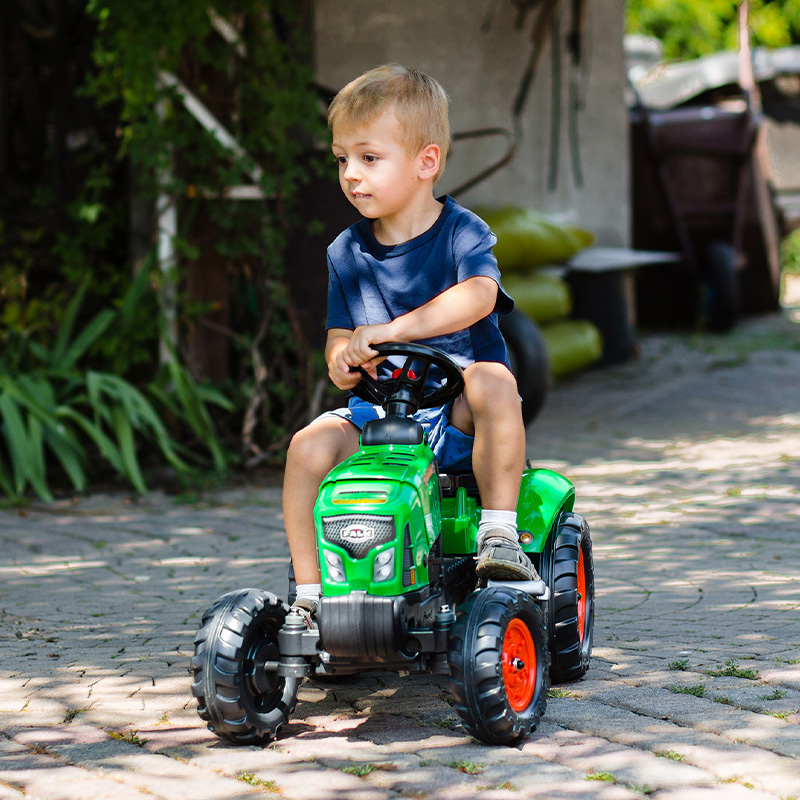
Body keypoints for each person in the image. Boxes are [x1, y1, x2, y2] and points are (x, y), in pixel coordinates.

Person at [283, 64, 537, 623]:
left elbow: (479, 296)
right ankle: (311, 597)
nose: (351, 174)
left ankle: (499, 536)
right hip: (378, 417)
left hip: (456, 418)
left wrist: (394, 332)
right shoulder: (345, 252)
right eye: (341, 159)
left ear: (427, 162)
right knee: (307, 445)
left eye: (369, 158)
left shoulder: (462, 232)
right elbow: (338, 335)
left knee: (495, 381)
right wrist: (342, 362)